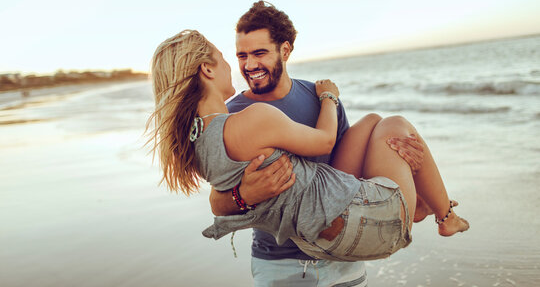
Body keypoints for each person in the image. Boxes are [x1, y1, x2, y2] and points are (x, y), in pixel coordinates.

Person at [147, 26, 469, 282]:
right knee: (397, 124)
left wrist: (403, 161)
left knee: (374, 122)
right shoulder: (250, 117)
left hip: (329, 236)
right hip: (332, 236)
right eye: (233, 56)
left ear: (285, 50)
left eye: (258, 53)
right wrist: (329, 95)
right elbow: (325, 142)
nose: (244, 65)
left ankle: (421, 202)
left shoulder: (196, 138)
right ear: (207, 69)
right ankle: (443, 216)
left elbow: (341, 168)